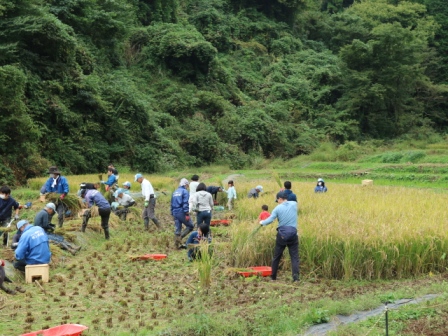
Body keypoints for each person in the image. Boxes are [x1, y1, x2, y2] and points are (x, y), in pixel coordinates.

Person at [259, 191, 299, 282]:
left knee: (277, 256)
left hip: (282, 235)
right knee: (294, 257)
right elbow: (294, 197)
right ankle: (296, 278)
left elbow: (269, 220)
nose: (277, 202)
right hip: (293, 234)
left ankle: (273, 277)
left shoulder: (277, 208)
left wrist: (262, 223)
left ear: (280, 199)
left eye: (277, 200)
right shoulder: (294, 204)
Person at [171, 178, 194, 249]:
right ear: (186, 184)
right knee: (190, 226)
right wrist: (187, 214)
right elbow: (185, 203)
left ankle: (176, 246)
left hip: (175, 211)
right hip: (181, 211)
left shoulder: (175, 192)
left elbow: (171, 203)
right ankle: (180, 238)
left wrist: (172, 212)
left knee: (178, 228)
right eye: (187, 185)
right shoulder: (185, 192)